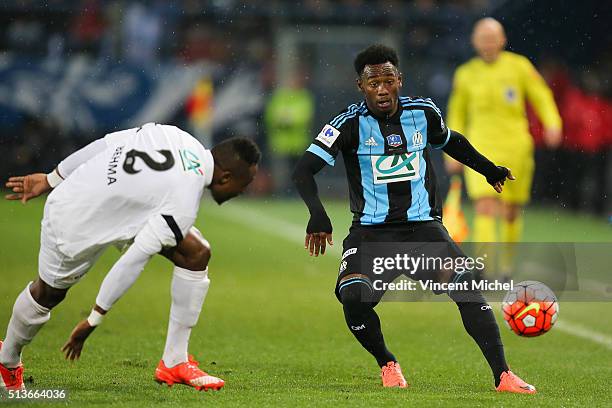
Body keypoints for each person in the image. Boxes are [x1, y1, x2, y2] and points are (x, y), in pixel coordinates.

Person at [292, 44, 535, 393]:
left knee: (467, 288)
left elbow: (452, 141)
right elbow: (303, 171)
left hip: (423, 229)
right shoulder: (347, 123)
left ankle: (503, 375)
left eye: (388, 80)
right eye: (372, 82)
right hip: (371, 235)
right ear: (360, 86)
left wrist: (488, 169)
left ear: (399, 81)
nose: (381, 89)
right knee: (353, 299)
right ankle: (387, 362)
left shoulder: (423, 112)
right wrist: (317, 215)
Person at [1, 123, 260, 391]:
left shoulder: (176, 136)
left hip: (125, 209)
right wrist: (94, 318)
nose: (244, 191)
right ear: (226, 177)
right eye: (246, 183)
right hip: (76, 220)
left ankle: (174, 362)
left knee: (195, 253)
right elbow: (133, 260)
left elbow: (105, 144)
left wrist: (52, 177)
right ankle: (6, 359)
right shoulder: (184, 201)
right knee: (48, 294)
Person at [446, 18, 562, 262]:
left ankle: (507, 264)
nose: (488, 44)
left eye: (492, 38)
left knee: (510, 210)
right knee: (485, 204)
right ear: (474, 42)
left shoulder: (519, 66)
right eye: (483, 39)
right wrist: (451, 150)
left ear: (503, 40)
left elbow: (541, 96)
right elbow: (457, 112)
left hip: (515, 146)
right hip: (479, 146)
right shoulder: (465, 74)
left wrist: (553, 123)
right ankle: (484, 266)